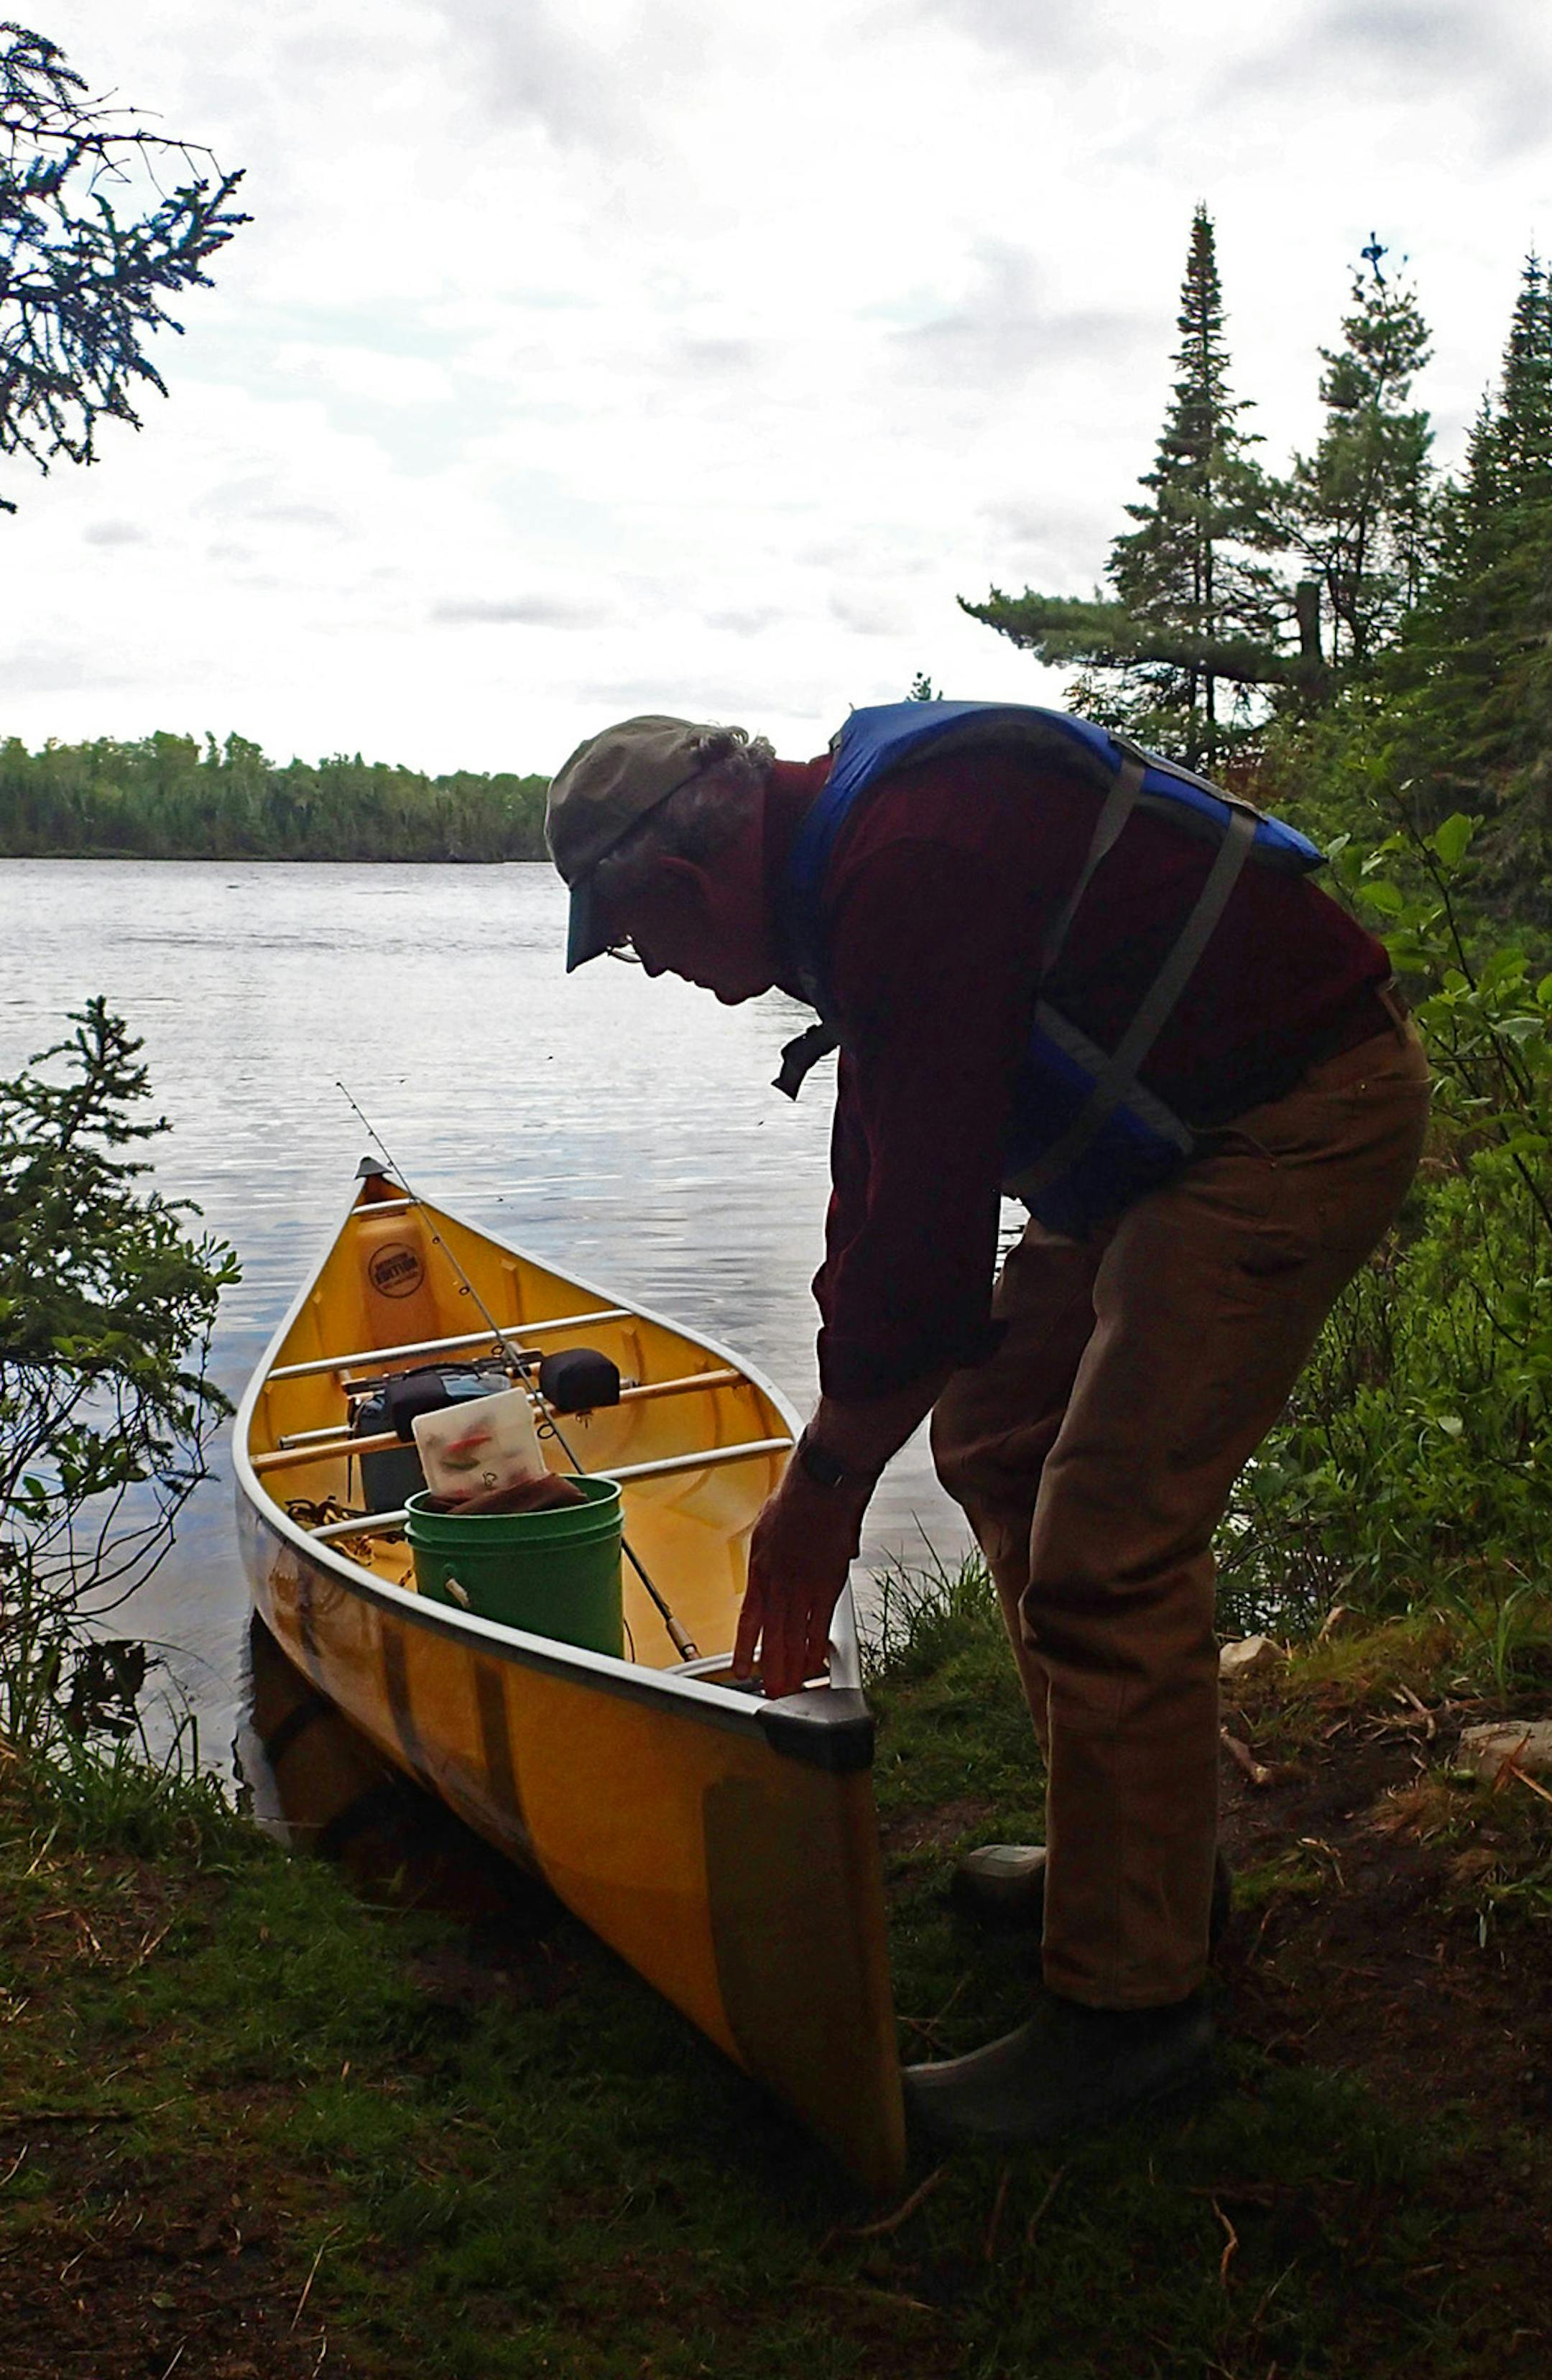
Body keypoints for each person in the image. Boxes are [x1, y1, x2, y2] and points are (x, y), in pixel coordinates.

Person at [543, 702, 1430, 2147]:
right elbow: (883, 1179)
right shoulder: (852, 872)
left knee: (1109, 1541)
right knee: (1001, 1432)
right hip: (1166, 1148)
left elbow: (938, 1245)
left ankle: (1132, 2018)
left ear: (693, 876)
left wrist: (824, 1488)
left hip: (1291, 1117)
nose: (658, 969)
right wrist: (842, 1417)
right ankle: (1128, 1866)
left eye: (640, 936)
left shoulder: (916, 854)